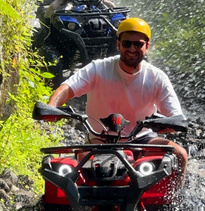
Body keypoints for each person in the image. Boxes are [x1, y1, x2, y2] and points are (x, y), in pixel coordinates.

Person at [48, 17, 188, 187]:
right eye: (127, 43)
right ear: (118, 44)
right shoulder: (98, 68)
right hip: (99, 140)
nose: (132, 49)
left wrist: (170, 124)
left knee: (180, 154)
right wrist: (51, 107)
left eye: (138, 44)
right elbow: (68, 88)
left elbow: (176, 116)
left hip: (141, 139)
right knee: (66, 180)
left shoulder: (157, 77)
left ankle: (174, 203)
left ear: (147, 46)